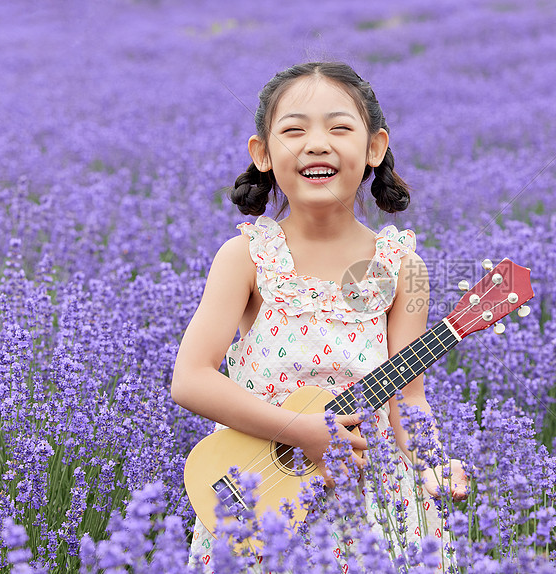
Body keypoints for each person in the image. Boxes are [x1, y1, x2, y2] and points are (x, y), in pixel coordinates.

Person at [171, 61, 468, 572]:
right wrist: (300, 429)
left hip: (372, 503)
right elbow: (191, 380)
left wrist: (434, 464)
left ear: (375, 148)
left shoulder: (404, 269)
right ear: (262, 154)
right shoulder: (246, 256)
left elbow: (407, 399)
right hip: (261, 491)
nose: (316, 143)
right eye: (293, 130)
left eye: (339, 127)